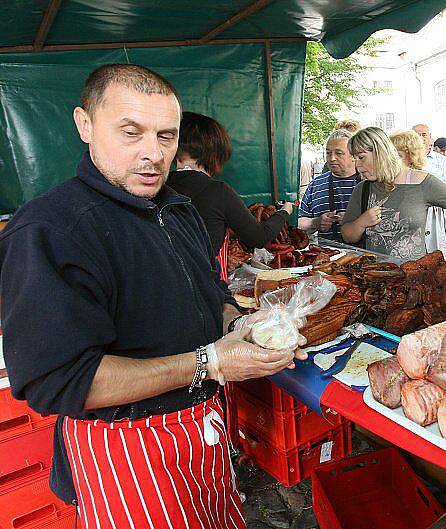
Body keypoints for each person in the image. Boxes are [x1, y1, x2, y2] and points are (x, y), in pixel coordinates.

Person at [0, 63, 305, 528]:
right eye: (131, 132)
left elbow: (214, 291)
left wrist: (243, 328)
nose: (152, 154)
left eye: (166, 137)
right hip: (126, 451)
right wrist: (210, 363)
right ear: (85, 124)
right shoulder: (52, 230)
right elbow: (58, 380)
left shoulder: (176, 209)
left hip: (203, 436)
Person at [168, 111, 292, 260]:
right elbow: (259, 237)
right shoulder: (218, 191)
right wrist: (284, 212)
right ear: (215, 153)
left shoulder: (158, 187)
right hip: (200, 281)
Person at [340, 127, 446, 261]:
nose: (357, 165)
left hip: (415, 275)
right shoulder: (362, 189)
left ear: (381, 153)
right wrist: (361, 223)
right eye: (354, 158)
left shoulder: (421, 181)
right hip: (374, 276)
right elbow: (347, 235)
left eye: (361, 157)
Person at [390, 130, 446, 259]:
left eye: (398, 155)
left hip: (431, 238)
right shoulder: (389, 181)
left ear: (411, 156)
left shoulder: (427, 179)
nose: (392, 160)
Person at [298, 129, 360, 242]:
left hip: (363, 256)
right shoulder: (315, 185)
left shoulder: (366, 184)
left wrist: (355, 221)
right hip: (326, 256)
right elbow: (298, 222)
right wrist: (315, 222)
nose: (332, 158)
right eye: (328, 153)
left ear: (353, 155)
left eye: (339, 153)